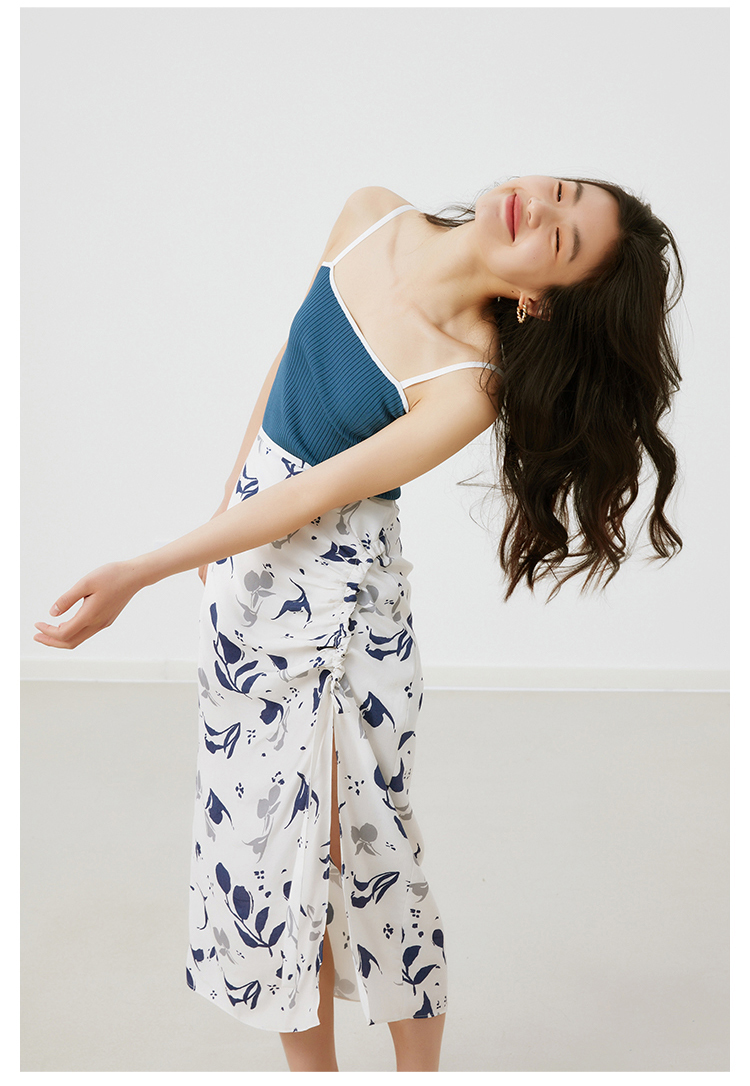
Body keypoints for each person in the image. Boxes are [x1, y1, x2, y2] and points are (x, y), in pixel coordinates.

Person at [33, 177, 683, 1072]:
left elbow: (316, 493)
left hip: (341, 616)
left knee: (363, 859)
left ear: (540, 299)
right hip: (250, 573)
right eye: (561, 190)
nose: (538, 208)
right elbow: (287, 366)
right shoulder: (370, 212)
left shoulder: (467, 384)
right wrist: (222, 516)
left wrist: (145, 570)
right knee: (271, 866)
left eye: (563, 239)